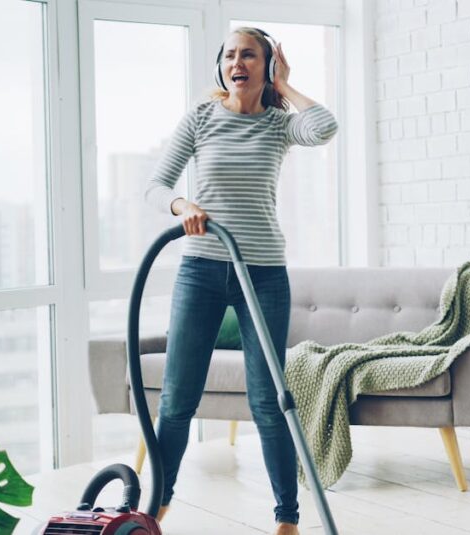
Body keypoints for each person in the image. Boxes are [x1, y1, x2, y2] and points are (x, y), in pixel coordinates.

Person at [144, 27, 337, 535]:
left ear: (266, 65)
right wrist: (182, 205)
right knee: (177, 400)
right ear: (221, 65)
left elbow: (325, 126)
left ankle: (287, 518)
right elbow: (156, 185)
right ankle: (155, 507)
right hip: (201, 270)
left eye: (249, 55)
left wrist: (285, 85)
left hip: (264, 272)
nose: (237, 63)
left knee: (269, 402)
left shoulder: (278, 125)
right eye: (230, 55)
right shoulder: (201, 118)